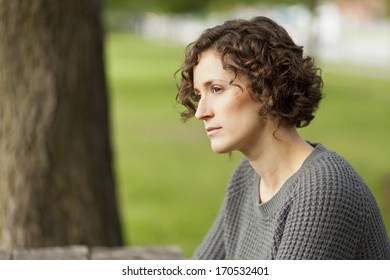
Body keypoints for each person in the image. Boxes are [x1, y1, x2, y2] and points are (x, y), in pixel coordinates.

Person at [175, 16, 389, 260]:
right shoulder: (247, 178)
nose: (201, 112)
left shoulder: (323, 189)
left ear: (267, 88)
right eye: (198, 94)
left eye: (216, 89)